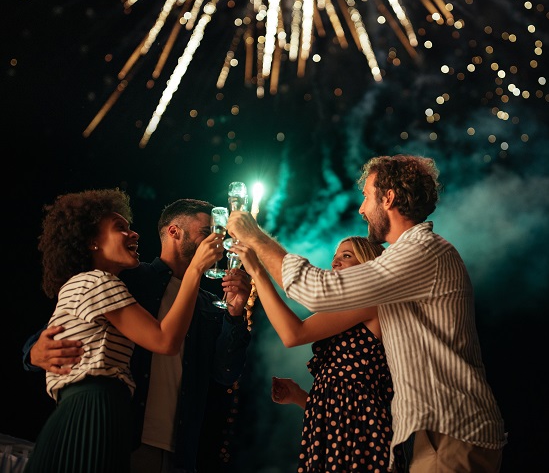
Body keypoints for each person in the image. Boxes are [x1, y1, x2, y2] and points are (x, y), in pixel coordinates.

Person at [227, 154, 507, 472]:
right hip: (440, 434)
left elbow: (315, 292)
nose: (361, 209)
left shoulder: (421, 252)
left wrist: (255, 236)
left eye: (366, 196)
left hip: (451, 434)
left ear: (388, 198)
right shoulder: (410, 256)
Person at [23, 198, 253, 473]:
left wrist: (235, 313)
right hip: (123, 433)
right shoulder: (127, 279)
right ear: (173, 231)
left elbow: (225, 372)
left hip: (180, 448)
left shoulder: (205, 303)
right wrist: (32, 352)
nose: (215, 241)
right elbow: (62, 327)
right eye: (206, 233)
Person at [235, 236, 395, 471]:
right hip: (334, 433)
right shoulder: (350, 310)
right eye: (335, 257)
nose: (335, 263)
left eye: (347, 256)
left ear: (369, 265)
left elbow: (293, 334)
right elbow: (343, 400)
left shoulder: (370, 300)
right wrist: (299, 396)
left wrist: (258, 272)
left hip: (359, 435)